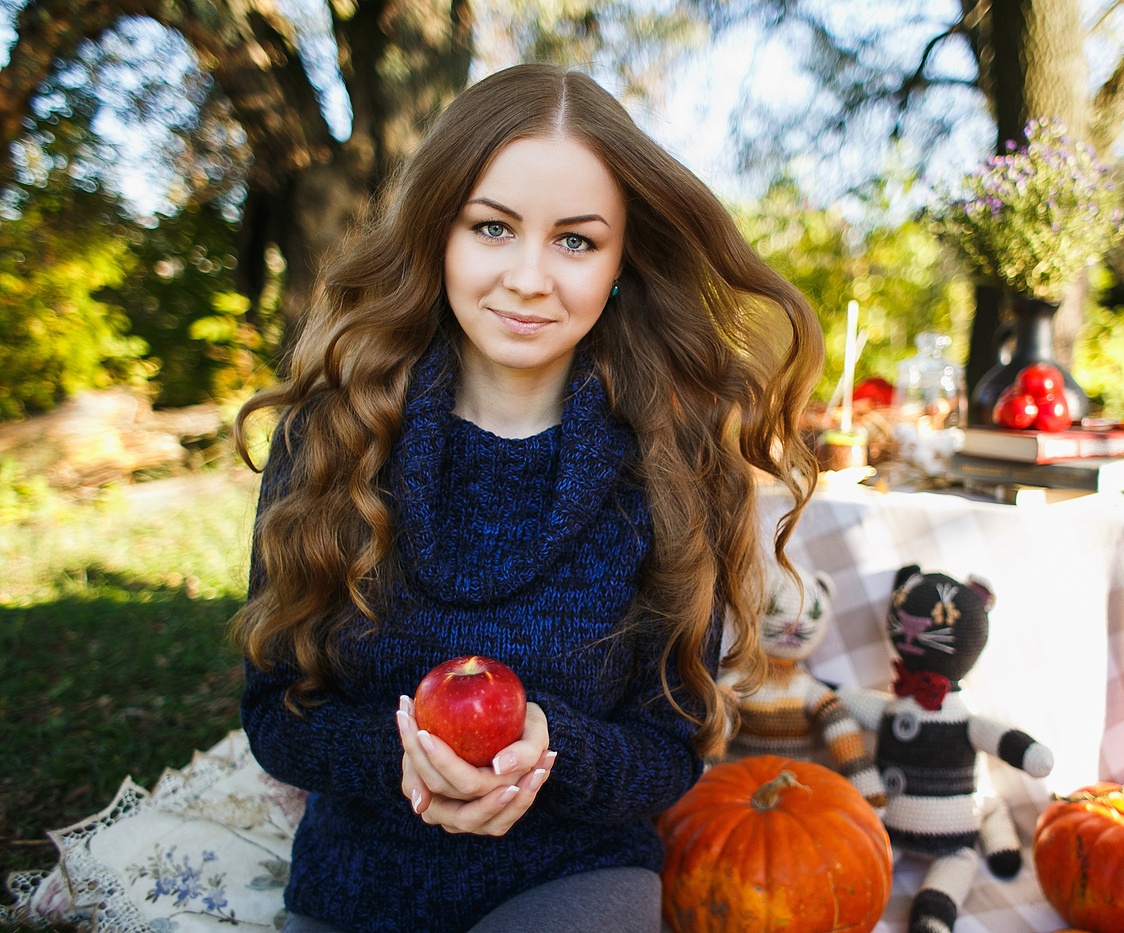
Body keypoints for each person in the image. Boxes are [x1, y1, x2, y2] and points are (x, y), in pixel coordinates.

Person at [231, 62, 824, 933]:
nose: (529, 277)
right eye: (494, 228)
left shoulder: (673, 464)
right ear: (440, 232)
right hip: (363, 884)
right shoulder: (334, 433)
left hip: (571, 881)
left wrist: (552, 751)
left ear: (623, 260)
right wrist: (406, 757)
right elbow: (275, 711)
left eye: (576, 241)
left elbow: (671, 752)